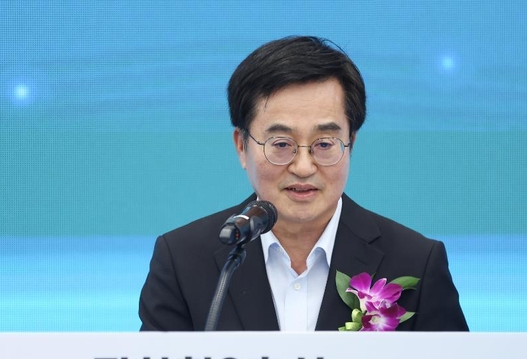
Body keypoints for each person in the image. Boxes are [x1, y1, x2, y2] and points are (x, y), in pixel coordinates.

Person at [139, 36, 469, 332]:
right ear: (242, 146)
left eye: (324, 144)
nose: (303, 166)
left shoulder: (417, 261)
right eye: (281, 144)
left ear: (351, 144)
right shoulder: (182, 260)